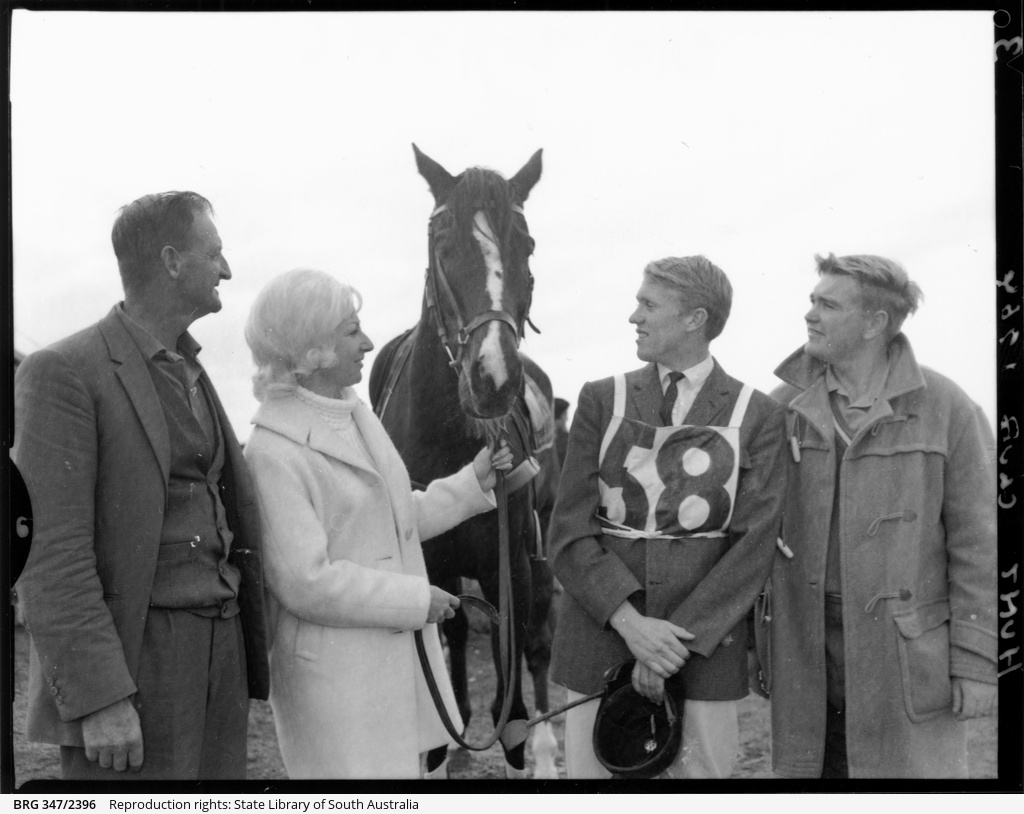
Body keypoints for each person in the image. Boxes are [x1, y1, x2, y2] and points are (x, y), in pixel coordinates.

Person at [12, 191, 268, 780]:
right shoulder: (63, 371)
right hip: (139, 662)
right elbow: (49, 552)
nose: (226, 269)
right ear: (172, 260)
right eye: (215, 253)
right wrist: (99, 696)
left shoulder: (194, 373)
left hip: (221, 655)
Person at [242, 268, 513, 779]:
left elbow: (392, 518)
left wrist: (471, 482)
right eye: (351, 331)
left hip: (383, 666)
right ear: (312, 347)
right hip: (335, 685)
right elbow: (305, 581)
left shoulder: (351, 411)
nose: (368, 342)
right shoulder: (272, 451)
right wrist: (415, 599)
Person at [548, 255, 787, 779]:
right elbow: (568, 532)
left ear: (694, 319)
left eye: (648, 304)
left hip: (701, 657)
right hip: (600, 646)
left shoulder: (759, 415)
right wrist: (631, 626)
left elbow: (751, 549)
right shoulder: (600, 399)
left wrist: (667, 649)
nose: (634, 316)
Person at [767, 253, 998, 778]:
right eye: (812, 301)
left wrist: (979, 663)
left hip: (905, 656)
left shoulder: (948, 407)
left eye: (828, 305)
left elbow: (982, 548)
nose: (810, 315)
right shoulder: (781, 408)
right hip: (807, 654)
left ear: (875, 323)